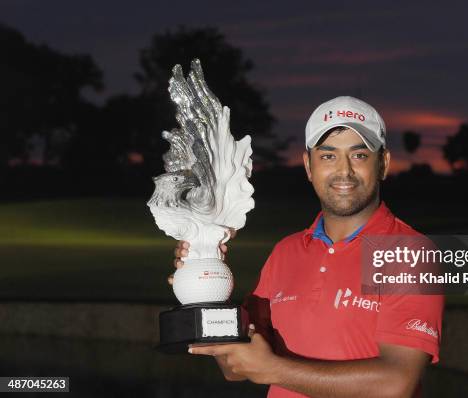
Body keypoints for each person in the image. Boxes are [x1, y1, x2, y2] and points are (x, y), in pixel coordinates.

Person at [168, 96, 444, 398]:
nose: (344, 171)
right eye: (328, 156)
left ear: (384, 164)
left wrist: (274, 369)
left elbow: (395, 383)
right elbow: (235, 368)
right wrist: (208, 290)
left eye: (359, 155)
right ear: (308, 166)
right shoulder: (285, 253)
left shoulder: (412, 253)